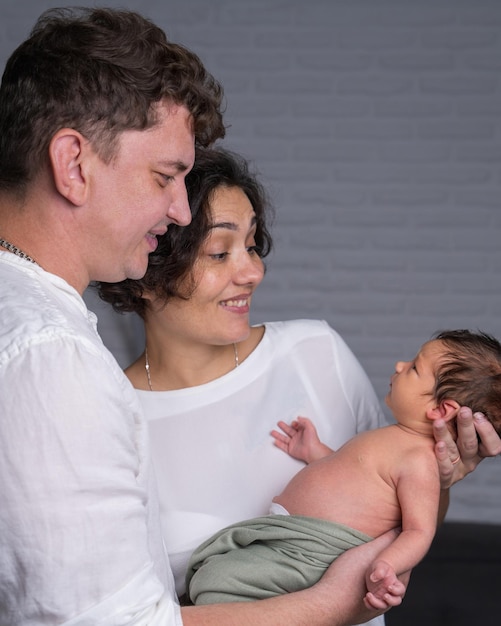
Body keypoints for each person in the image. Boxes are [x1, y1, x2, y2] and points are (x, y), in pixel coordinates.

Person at [0, 7, 408, 626]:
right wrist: (327, 603)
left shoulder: (40, 330)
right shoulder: (50, 354)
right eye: (164, 176)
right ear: (73, 164)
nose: (179, 211)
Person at [97, 146, 501, 623]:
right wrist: (323, 603)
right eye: (219, 252)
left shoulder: (316, 353)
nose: (253, 272)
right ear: (146, 268)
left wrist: (445, 476)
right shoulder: (111, 416)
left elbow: (395, 516)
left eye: (251, 245)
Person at [185, 329, 501, 608]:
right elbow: (352, 479)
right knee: (215, 574)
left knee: (218, 582)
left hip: (316, 554)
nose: (400, 366)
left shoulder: (420, 462)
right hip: (289, 540)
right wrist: (315, 452)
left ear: (440, 409)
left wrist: (387, 565)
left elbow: (419, 530)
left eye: (415, 368)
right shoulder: (394, 438)